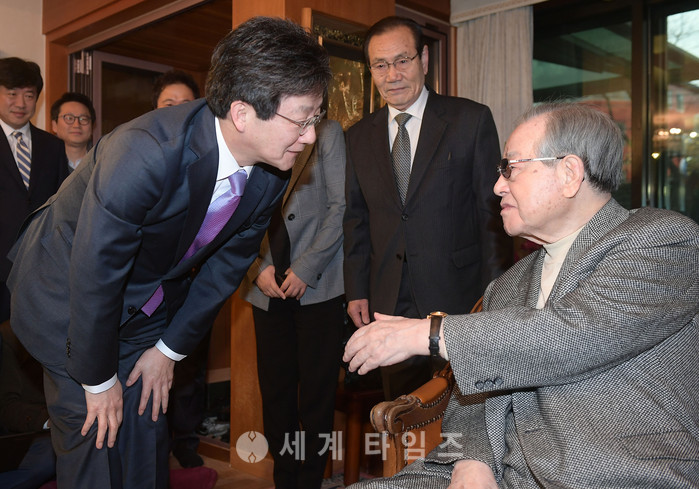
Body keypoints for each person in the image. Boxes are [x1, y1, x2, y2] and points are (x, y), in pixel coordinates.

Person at [6, 16, 330, 489]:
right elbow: (96, 271)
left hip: (146, 302)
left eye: (315, 119)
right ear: (242, 114)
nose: (310, 137)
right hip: (68, 300)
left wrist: (167, 350)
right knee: (94, 437)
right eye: (301, 120)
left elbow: (226, 267)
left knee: (144, 431)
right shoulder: (144, 151)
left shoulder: (271, 169)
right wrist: (97, 380)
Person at [343, 102, 699, 488]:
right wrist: (472, 458)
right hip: (505, 474)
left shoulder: (661, 241)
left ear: (569, 174)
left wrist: (428, 333)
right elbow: (473, 392)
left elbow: (572, 334)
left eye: (510, 168)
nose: (497, 186)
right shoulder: (507, 285)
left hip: (615, 475)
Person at [343, 16, 511, 400]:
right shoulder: (358, 136)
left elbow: (491, 215)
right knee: (403, 411)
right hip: (388, 298)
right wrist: (356, 289)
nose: (392, 75)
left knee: (462, 409)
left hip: (458, 296)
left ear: (424, 59)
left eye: (402, 60)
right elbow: (356, 218)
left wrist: (495, 296)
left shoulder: (469, 120)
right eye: (380, 65)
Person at [239, 118, 346, 489]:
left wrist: (306, 268)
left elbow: (339, 207)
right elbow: (235, 210)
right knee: (276, 394)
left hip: (319, 283)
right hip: (265, 285)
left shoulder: (326, 133)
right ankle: (285, 480)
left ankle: (311, 480)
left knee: (317, 397)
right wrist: (256, 268)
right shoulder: (252, 130)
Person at [151, 69, 210, 469]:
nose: (176, 111)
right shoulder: (142, 153)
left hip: (193, 282)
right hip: (147, 290)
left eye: (185, 104)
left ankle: (186, 439)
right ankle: (154, 441)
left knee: (189, 366)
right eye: (167, 103)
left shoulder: (211, 156)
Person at [0, 57, 69, 324]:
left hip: (39, 271)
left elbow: (61, 207)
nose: (21, 103)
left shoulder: (53, 146)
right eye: (12, 93)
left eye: (29, 95)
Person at [0, 321, 56, 489]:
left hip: (74, 415)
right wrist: (49, 420)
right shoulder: (9, 336)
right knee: (49, 457)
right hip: (34, 429)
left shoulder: (79, 328)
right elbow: (7, 408)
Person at [50, 91, 96, 172]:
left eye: (83, 119)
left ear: (92, 127)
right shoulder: (43, 164)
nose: (76, 125)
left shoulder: (102, 164)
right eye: (69, 118)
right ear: (54, 125)